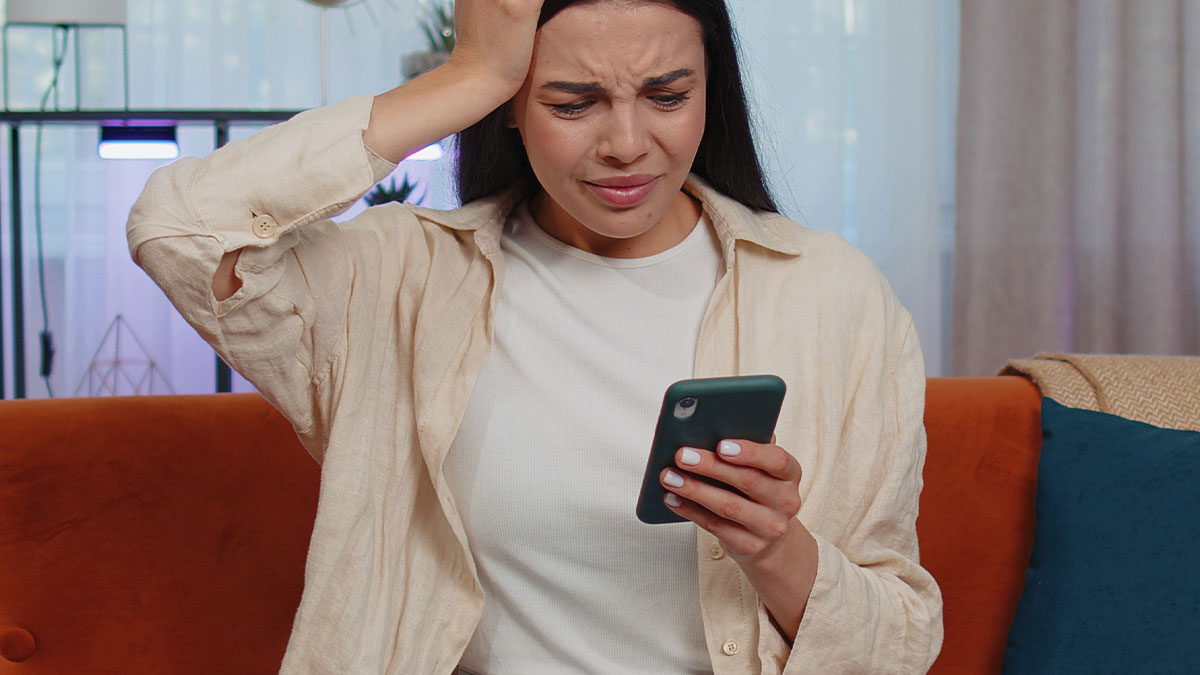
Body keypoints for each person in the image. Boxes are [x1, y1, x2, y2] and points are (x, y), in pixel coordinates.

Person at [127, 0, 943, 672]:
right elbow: (179, 230)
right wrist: (470, 74)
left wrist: (776, 549)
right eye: (572, 103)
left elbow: (899, 644)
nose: (627, 145)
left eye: (667, 95)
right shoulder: (402, 281)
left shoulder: (833, 295)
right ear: (510, 107)